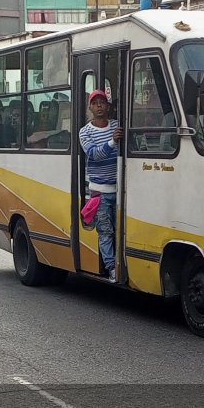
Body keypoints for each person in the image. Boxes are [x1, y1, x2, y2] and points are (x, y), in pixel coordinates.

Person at [78, 90, 123, 283]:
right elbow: (94, 154)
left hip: (121, 190)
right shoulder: (85, 132)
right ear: (90, 107)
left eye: (102, 102)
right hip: (100, 193)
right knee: (105, 232)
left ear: (108, 106)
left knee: (120, 230)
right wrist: (113, 141)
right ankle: (112, 268)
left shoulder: (116, 126)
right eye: (95, 103)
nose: (99, 106)